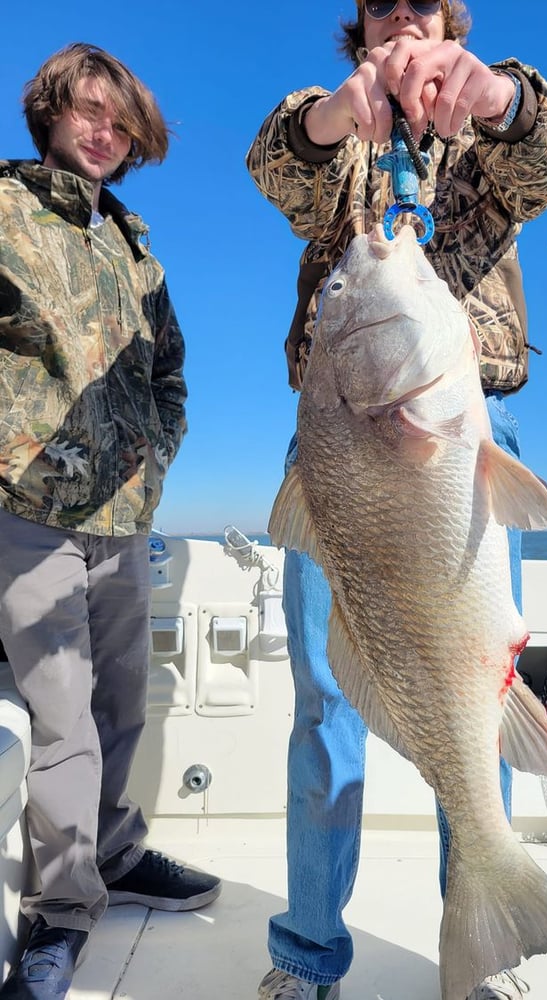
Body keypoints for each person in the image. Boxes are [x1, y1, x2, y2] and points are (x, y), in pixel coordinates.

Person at [246, 2, 547, 998]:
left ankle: (483, 935)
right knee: (324, 712)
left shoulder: (491, 108)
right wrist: (333, 118)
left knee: (477, 686)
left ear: (448, 16)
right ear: (360, 24)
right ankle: (309, 957)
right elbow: (278, 168)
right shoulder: (330, 117)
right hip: (343, 449)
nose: (403, 6)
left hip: (454, 434)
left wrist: (492, 94)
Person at [0, 43, 221, 1000]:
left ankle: (118, 855)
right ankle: (58, 915)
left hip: (128, 519)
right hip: (31, 514)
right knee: (62, 728)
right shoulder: (5, 211)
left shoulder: (138, 249)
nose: (104, 132)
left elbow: (170, 373)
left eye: (120, 123)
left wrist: (158, 454)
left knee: (122, 709)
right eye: (89, 111)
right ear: (50, 111)